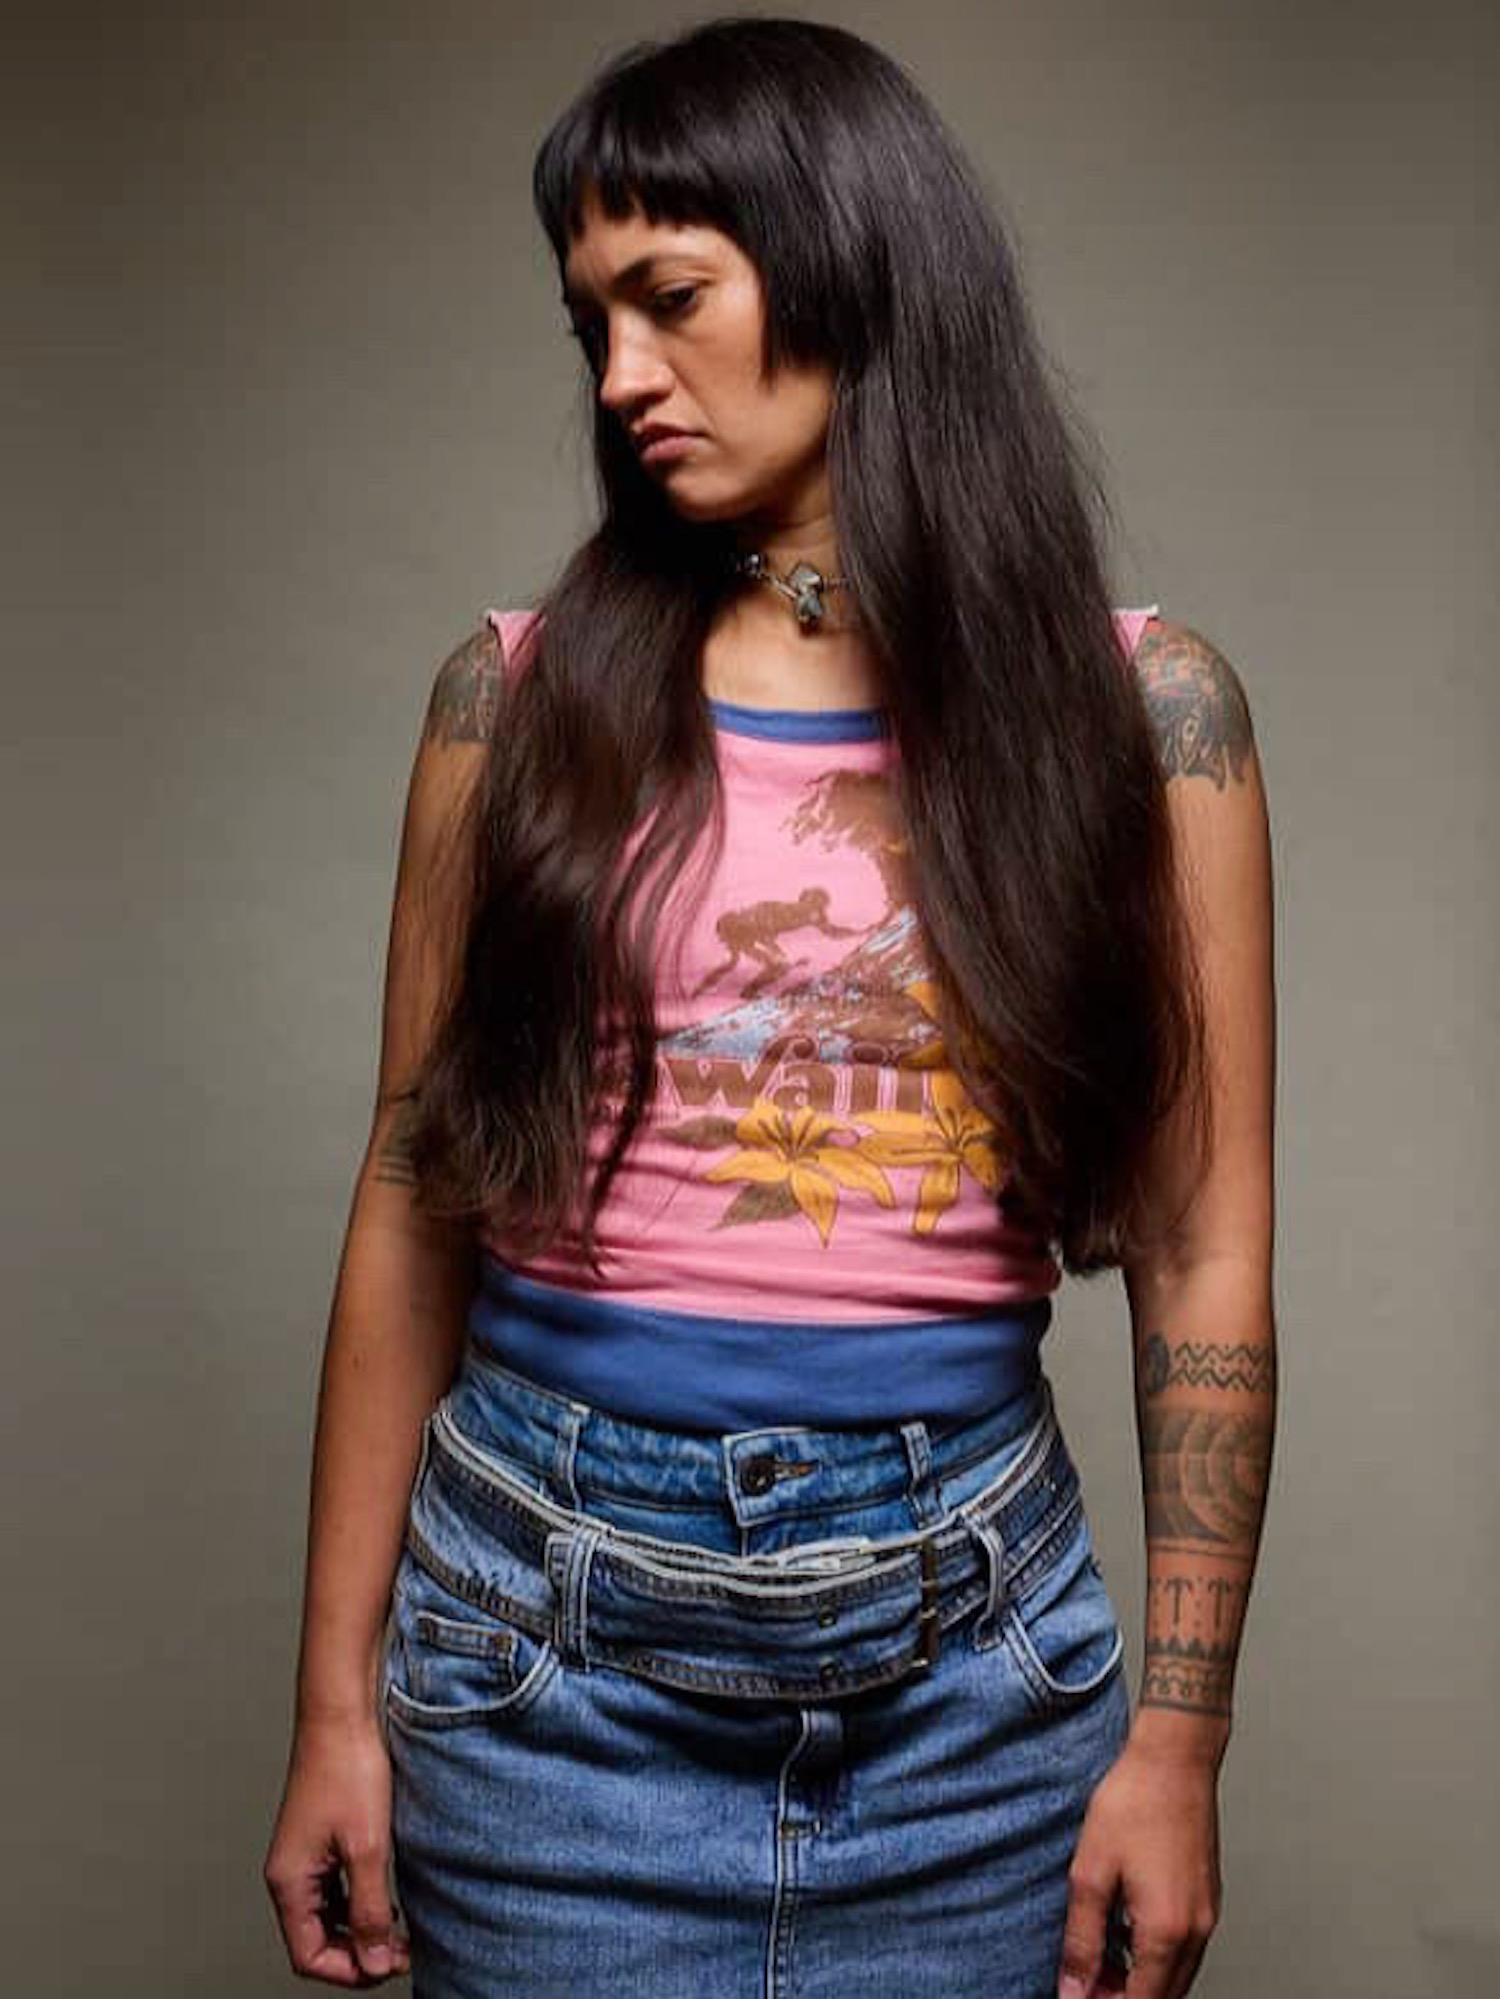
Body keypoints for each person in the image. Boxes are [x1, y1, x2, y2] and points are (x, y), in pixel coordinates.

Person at [263, 17, 1276, 1998]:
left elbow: (1202, 1251)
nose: (620, 377)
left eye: (670, 299)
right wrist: (330, 1714)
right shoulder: (512, 705)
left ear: (846, 268)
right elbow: (411, 1203)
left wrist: (1181, 1743)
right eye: (592, 324)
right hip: (540, 1670)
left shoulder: (1150, 721)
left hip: (979, 1689)